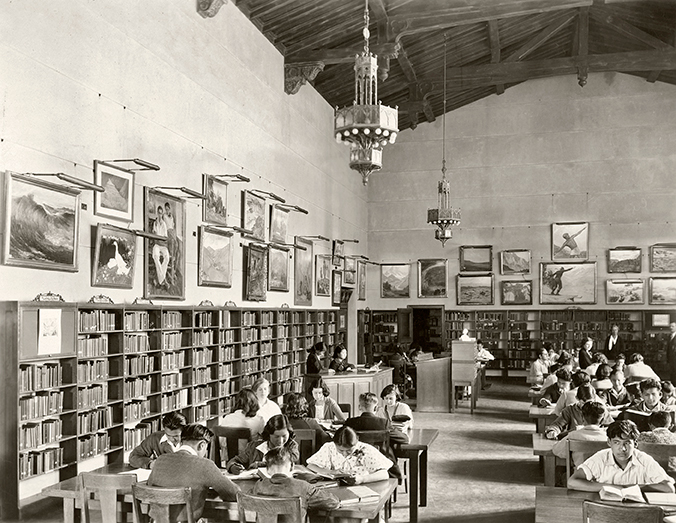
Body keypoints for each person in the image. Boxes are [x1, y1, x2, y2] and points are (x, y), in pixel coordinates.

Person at [147, 424, 239, 521]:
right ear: (202, 445)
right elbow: (233, 493)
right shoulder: (205, 465)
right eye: (206, 449)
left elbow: (149, 487)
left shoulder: (160, 460)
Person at [567, 419, 675, 493]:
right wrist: (612, 488)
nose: (622, 449)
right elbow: (572, 482)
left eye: (627, 443)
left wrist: (631, 489)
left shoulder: (644, 460)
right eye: (616, 442)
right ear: (609, 442)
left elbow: (669, 487)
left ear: (636, 444)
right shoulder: (600, 458)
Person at [252, 447, 339, 522]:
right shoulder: (303, 487)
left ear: (267, 469)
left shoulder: (259, 486)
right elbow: (333, 502)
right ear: (292, 466)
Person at [306, 426, 393, 485]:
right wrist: (330, 472)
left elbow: (384, 474)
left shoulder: (365, 450)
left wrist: (362, 479)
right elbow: (311, 465)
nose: (344, 454)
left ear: (356, 443)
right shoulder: (329, 447)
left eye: (348, 451)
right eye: (340, 450)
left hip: (361, 488)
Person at [226, 414, 299, 474]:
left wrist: (260, 464)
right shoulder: (254, 447)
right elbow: (234, 460)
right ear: (269, 435)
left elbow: (283, 462)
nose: (280, 441)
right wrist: (232, 467)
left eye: (284, 436)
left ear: (289, 433)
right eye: (276, 437)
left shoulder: (291, 447)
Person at [545, 384, 613, 440]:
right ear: (577, 398)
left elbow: (612, 426)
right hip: (576, 442)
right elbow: (557, 424)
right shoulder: (570, 410)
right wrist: (553, 431)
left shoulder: (600, 410)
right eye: (584, 403)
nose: (587, 406)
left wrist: (597, 430)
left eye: (591, 402)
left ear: (595, 399)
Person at [552, 401, 608, 468]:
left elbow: (556, 450)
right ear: (602, 420)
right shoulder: (608, 438)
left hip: (579, 476)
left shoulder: (573, 436)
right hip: (604, 477)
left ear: (582, 418)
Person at [151, 205, 171, 286]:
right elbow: (154, 235)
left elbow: (165, 237)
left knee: (167, 258)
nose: (159, 215)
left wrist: (159, 238)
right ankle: (162, 279)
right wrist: (156, 236)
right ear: (157, 213)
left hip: (163, 245)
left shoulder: (164, 224)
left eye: (161, 213)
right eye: (158, 213)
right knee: (156, 256)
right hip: (157, 244)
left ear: (162, 214)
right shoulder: (155, 223)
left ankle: (160, 278)